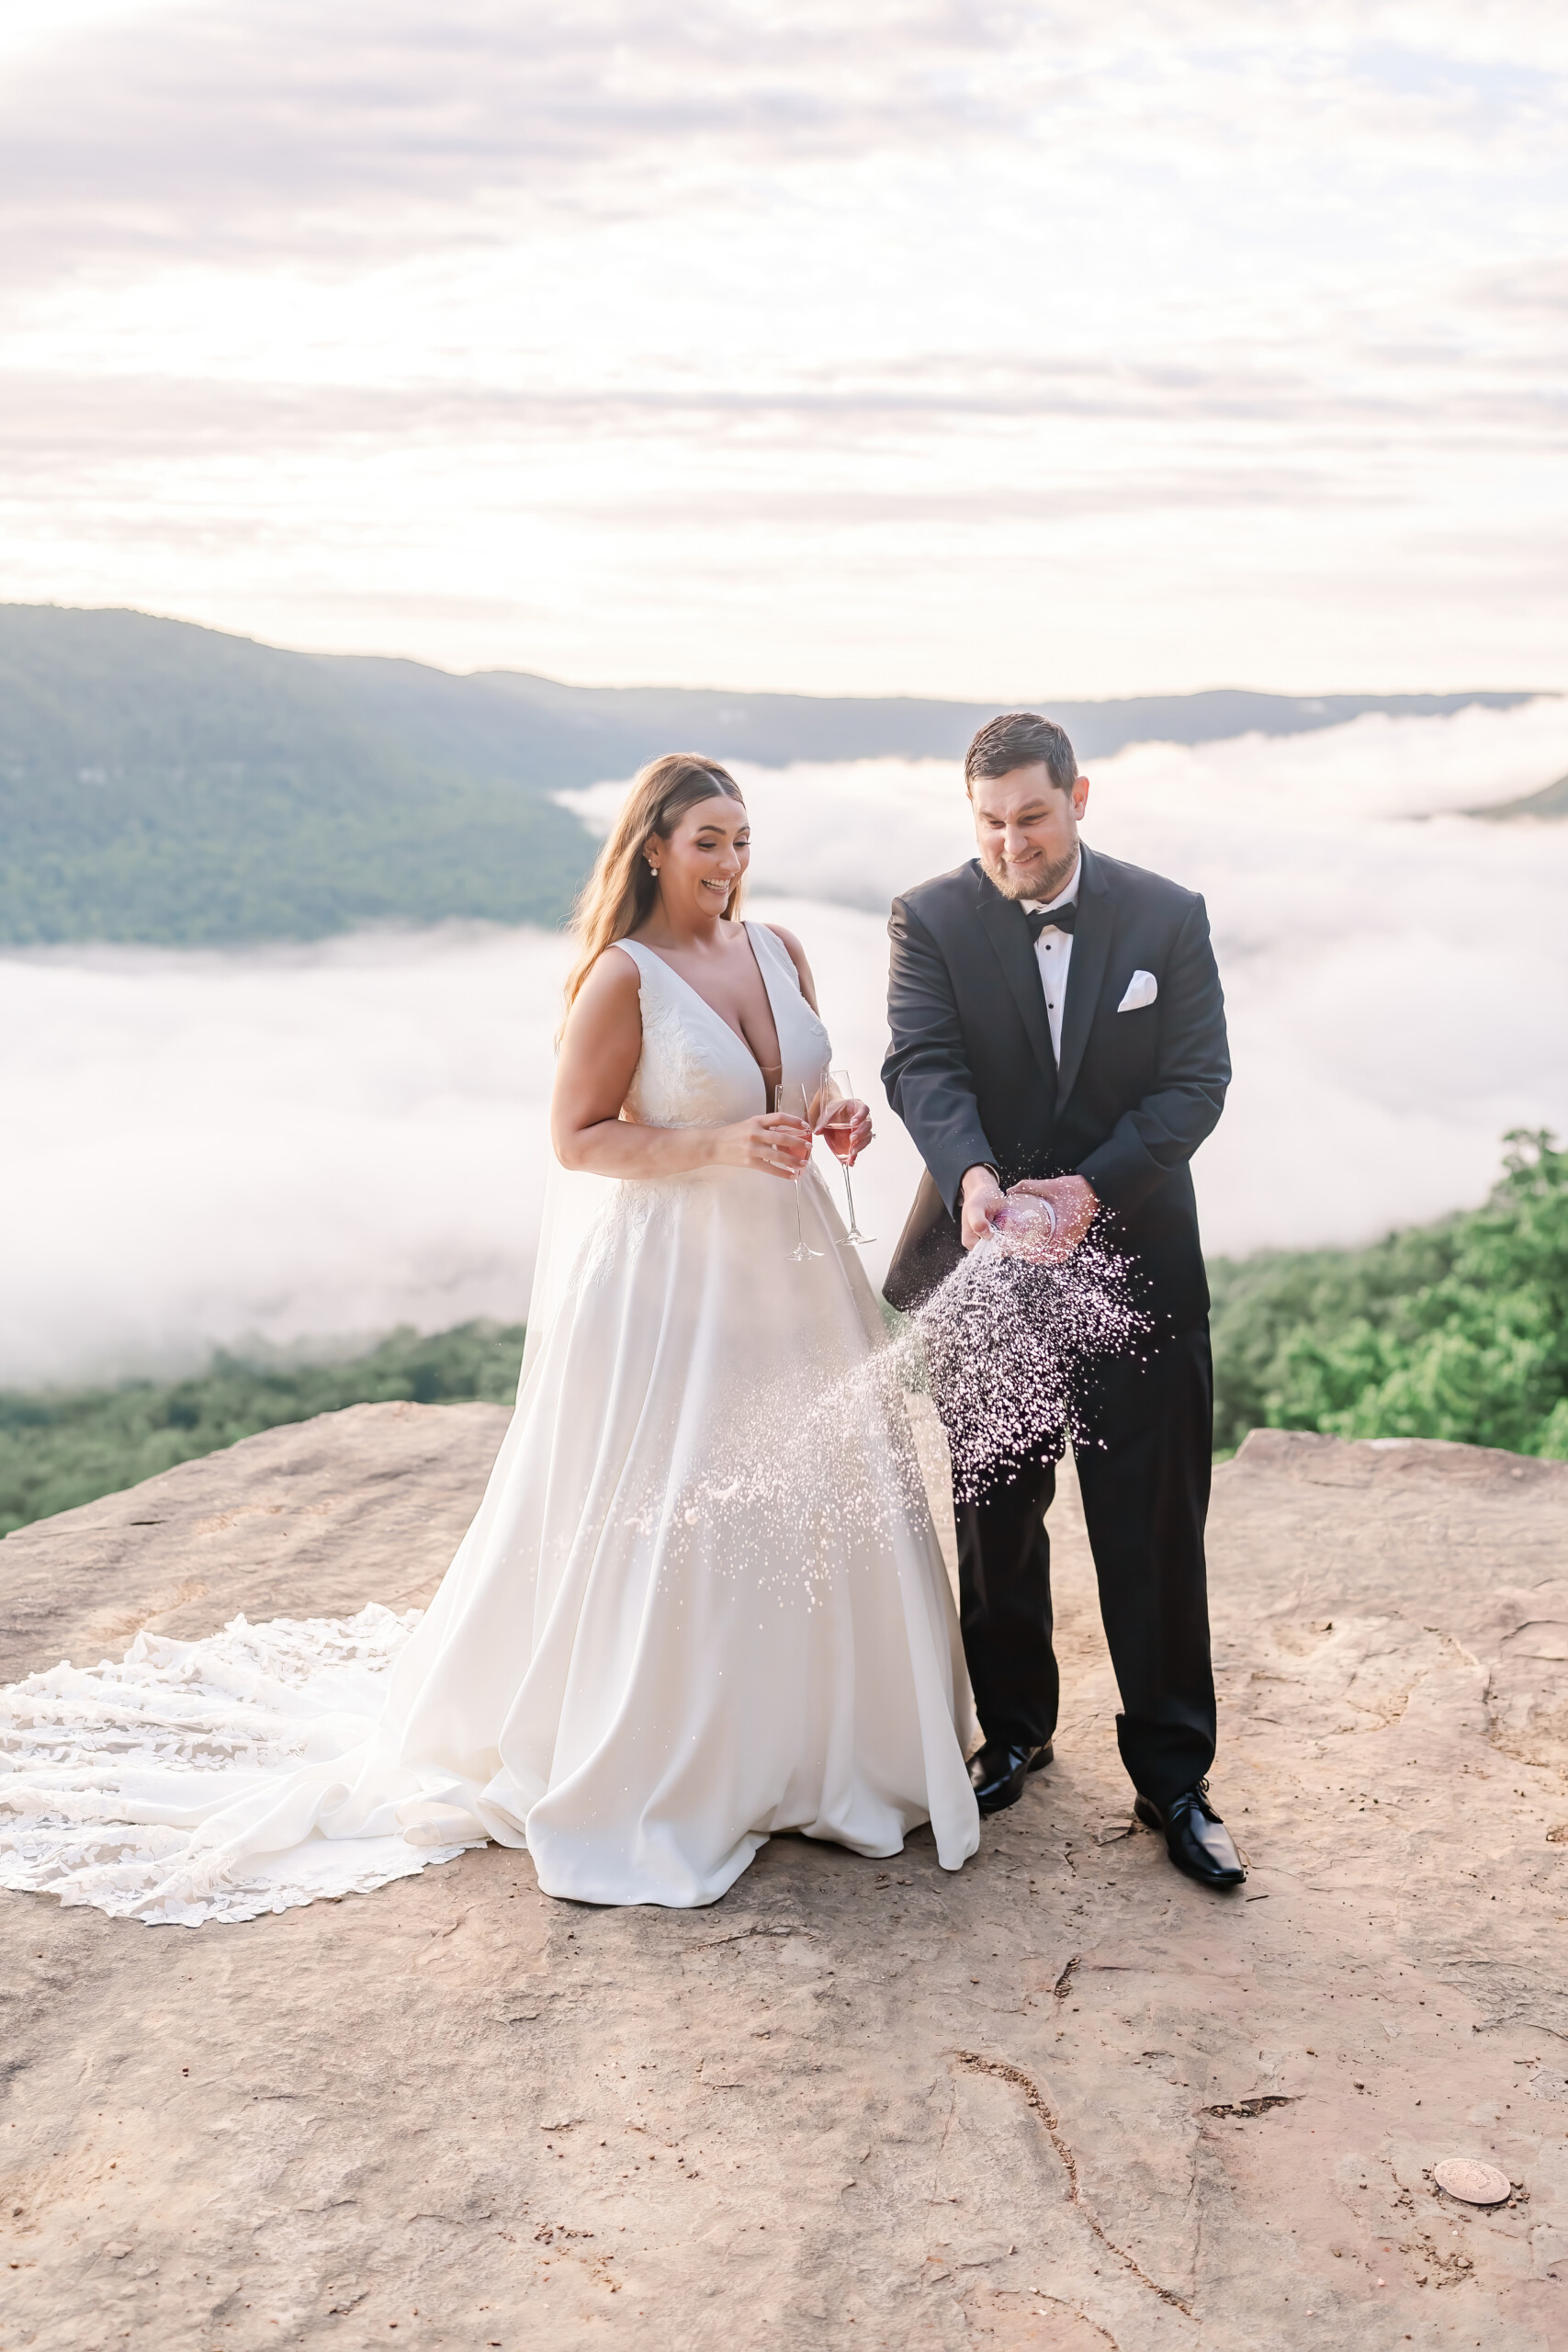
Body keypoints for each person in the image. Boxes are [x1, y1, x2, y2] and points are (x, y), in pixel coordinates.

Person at [0, 755, 979, 1925]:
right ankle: (680, 1760)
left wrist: (833, 1114)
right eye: (707, 840)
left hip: (795, 1272)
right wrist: (719, 1150)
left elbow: (793, 1086)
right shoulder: (623, 978)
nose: (729, 862)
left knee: (808, 1492)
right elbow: (579, 1138)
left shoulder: (779, 951)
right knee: (678, 1502)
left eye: (741, 838)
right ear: (654, 847)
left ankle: (822, 1751)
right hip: (674, 1288)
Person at [882, 711, 1245, 1889]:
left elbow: (1198, 1083)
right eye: (988, 822)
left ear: (1079, 798)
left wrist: (1091, 1189)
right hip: (988, 1269)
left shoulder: (1165, 915)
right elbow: (919, 1066)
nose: (1010, 842)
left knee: (1151, 1532)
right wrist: (976, 1178)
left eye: (1031, 817)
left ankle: (1175, 1783)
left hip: (1138, 1267)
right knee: (996, 1526)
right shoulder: (927, 917)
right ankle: (1017, 1734)